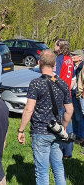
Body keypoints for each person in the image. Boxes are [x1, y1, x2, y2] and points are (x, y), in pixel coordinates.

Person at [18, 49, 73, 185]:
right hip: (56, 131)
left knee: (42, 171)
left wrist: (21, 130)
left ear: (39, 63)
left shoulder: (36, 83)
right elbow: (69, 109)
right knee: (58, 168)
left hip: (40, 131)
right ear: (55, 64)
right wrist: (63, 127)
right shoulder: (63, 84)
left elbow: (29, 109)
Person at [54, 38, 74, 158]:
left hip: (60, 93)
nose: (54, 46)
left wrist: (48, 79)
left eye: (56, 44)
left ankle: (61, 149)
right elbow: (71, 78)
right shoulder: (70, 60)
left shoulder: (60, 59)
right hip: (68, 92)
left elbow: (56, 76)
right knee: (68, 121)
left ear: (59, 47)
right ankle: (68, 151)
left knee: (61, 122)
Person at [70, 49, 84, 143]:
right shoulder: (74, 67)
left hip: (80, 93)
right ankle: (75, 135)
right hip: (74, 92)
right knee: (74, 115)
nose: (72, 56)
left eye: (75, 55)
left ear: (80, 58)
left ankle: (81, 136)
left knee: (81, 116)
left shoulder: (82, 66)